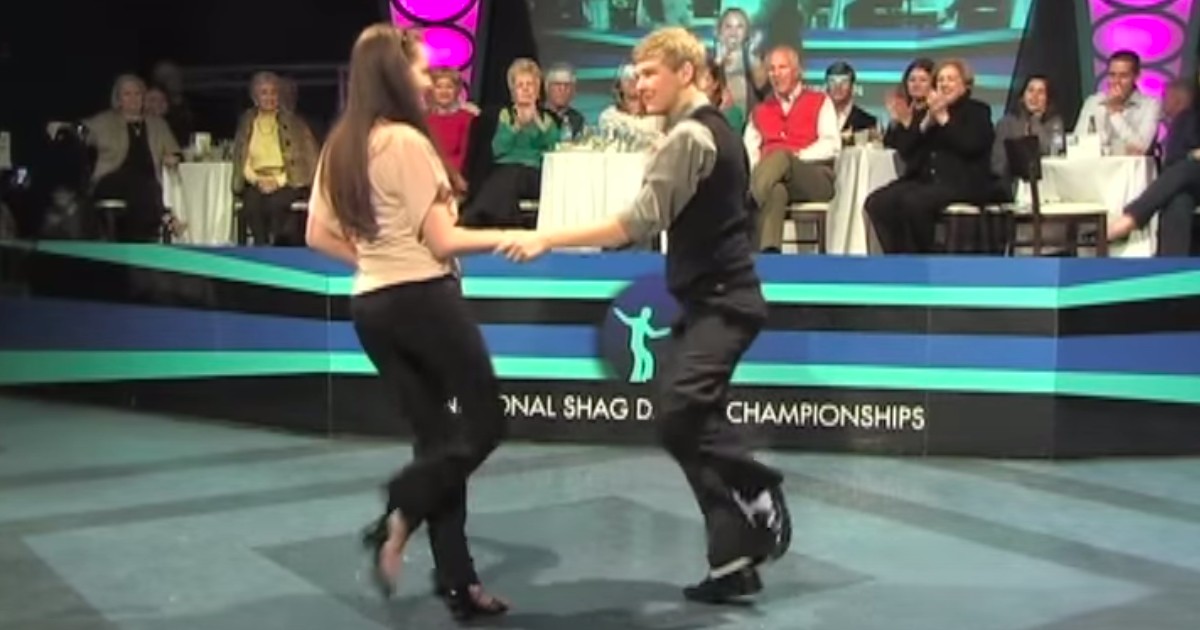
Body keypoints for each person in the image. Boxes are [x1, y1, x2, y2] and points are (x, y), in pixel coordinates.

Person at [497, 26, 792, 603]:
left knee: (680, 413)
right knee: (686, 424)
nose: (640, 83)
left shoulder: (691, 137)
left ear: (686, 72)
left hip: (724, 301)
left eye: (652, 72)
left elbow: (633, 224)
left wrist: (546, 237)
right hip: (706, 299)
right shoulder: (705, 130)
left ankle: (760, 491)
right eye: (637, 74)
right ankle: (731, 559)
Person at [304, 23, 512, 621]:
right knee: (486, 423)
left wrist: (374, 262)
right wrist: (516, 237)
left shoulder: (343, 143)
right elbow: (443, 239)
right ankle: (400, 507)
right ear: (396, 75)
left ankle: (458, 582)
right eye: (421, 69)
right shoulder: (406, 143)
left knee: (438, 445)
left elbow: (316, 232)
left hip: (372, 307)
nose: (429, 80)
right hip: (425, 300)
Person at [864, 59, 996, 254]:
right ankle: (897, 256)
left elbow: (971, 145)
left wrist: (943, 119)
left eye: (951, 79)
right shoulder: (929, 112)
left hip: (962, 182)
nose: (944, 84)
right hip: (926, 180)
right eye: (940, 80)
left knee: (913, 203)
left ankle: (923, 258)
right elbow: (908, 151)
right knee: (877, 202)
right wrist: (923, 124)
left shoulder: (978, 111)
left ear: (964, 85)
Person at [1107, 65, 1199, 255]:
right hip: (1192, 181)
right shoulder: (1191, 117)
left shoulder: (1184, 117)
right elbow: (1174, 159)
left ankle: (1131, 218)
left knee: (1186, 168)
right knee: (1178, 201)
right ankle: (1172, 271)